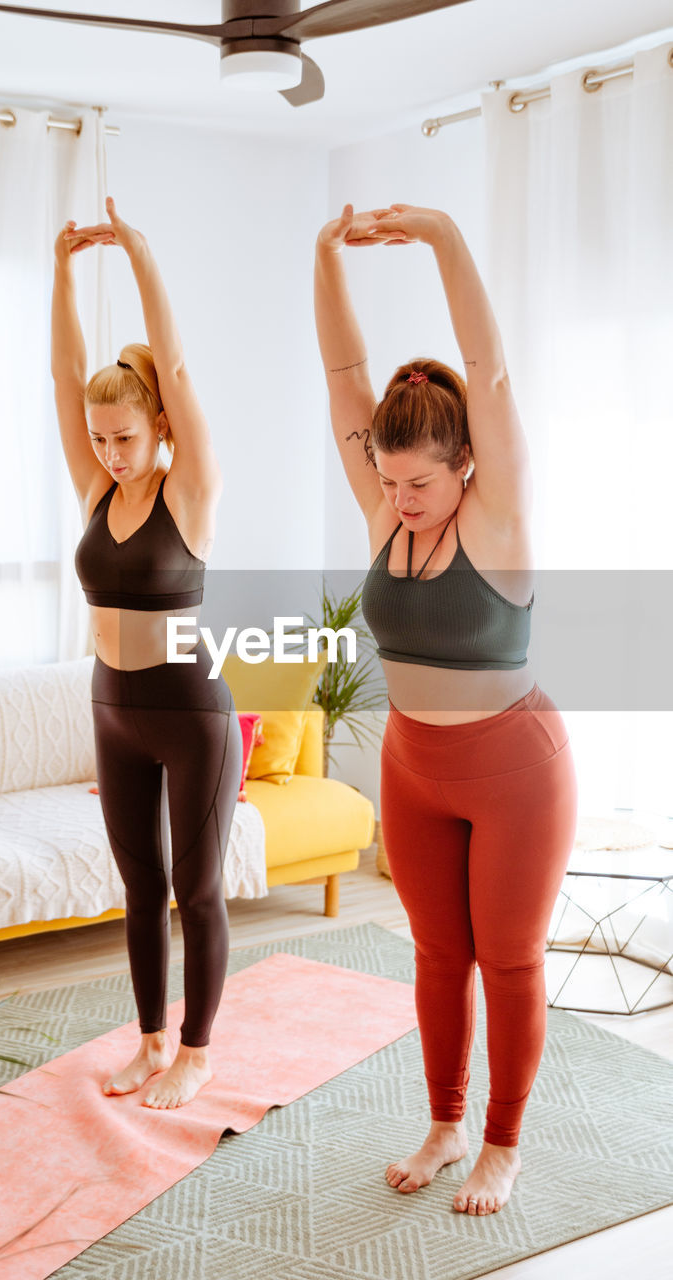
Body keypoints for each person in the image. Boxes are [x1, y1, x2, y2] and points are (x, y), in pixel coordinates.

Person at [314, 203, 577, 1215]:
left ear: (466, 461)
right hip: (413, 764)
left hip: (516, 766)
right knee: (437, 952)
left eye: (419, 479)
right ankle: (443, 1117)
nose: (399, 494)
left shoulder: (499, 515)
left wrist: (440, 236)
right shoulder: (387, 508)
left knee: (508, 956)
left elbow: (491, 366)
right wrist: (324, 253)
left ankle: (502, 1142)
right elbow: (344, 376)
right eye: (386, 476)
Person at [52, 196, 242, 1109]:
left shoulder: (191, 487)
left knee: (197, 888)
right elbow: (61, 373)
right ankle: (150, 1041)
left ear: (159, 424)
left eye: (125, 436)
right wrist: (60, 273)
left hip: (189, 713)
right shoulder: (96, 488)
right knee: (140, 885)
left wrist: (138, 253)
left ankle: (198, 1052)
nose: (110, 452)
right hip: (113, 711)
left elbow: (175, 360)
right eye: (98, 438)